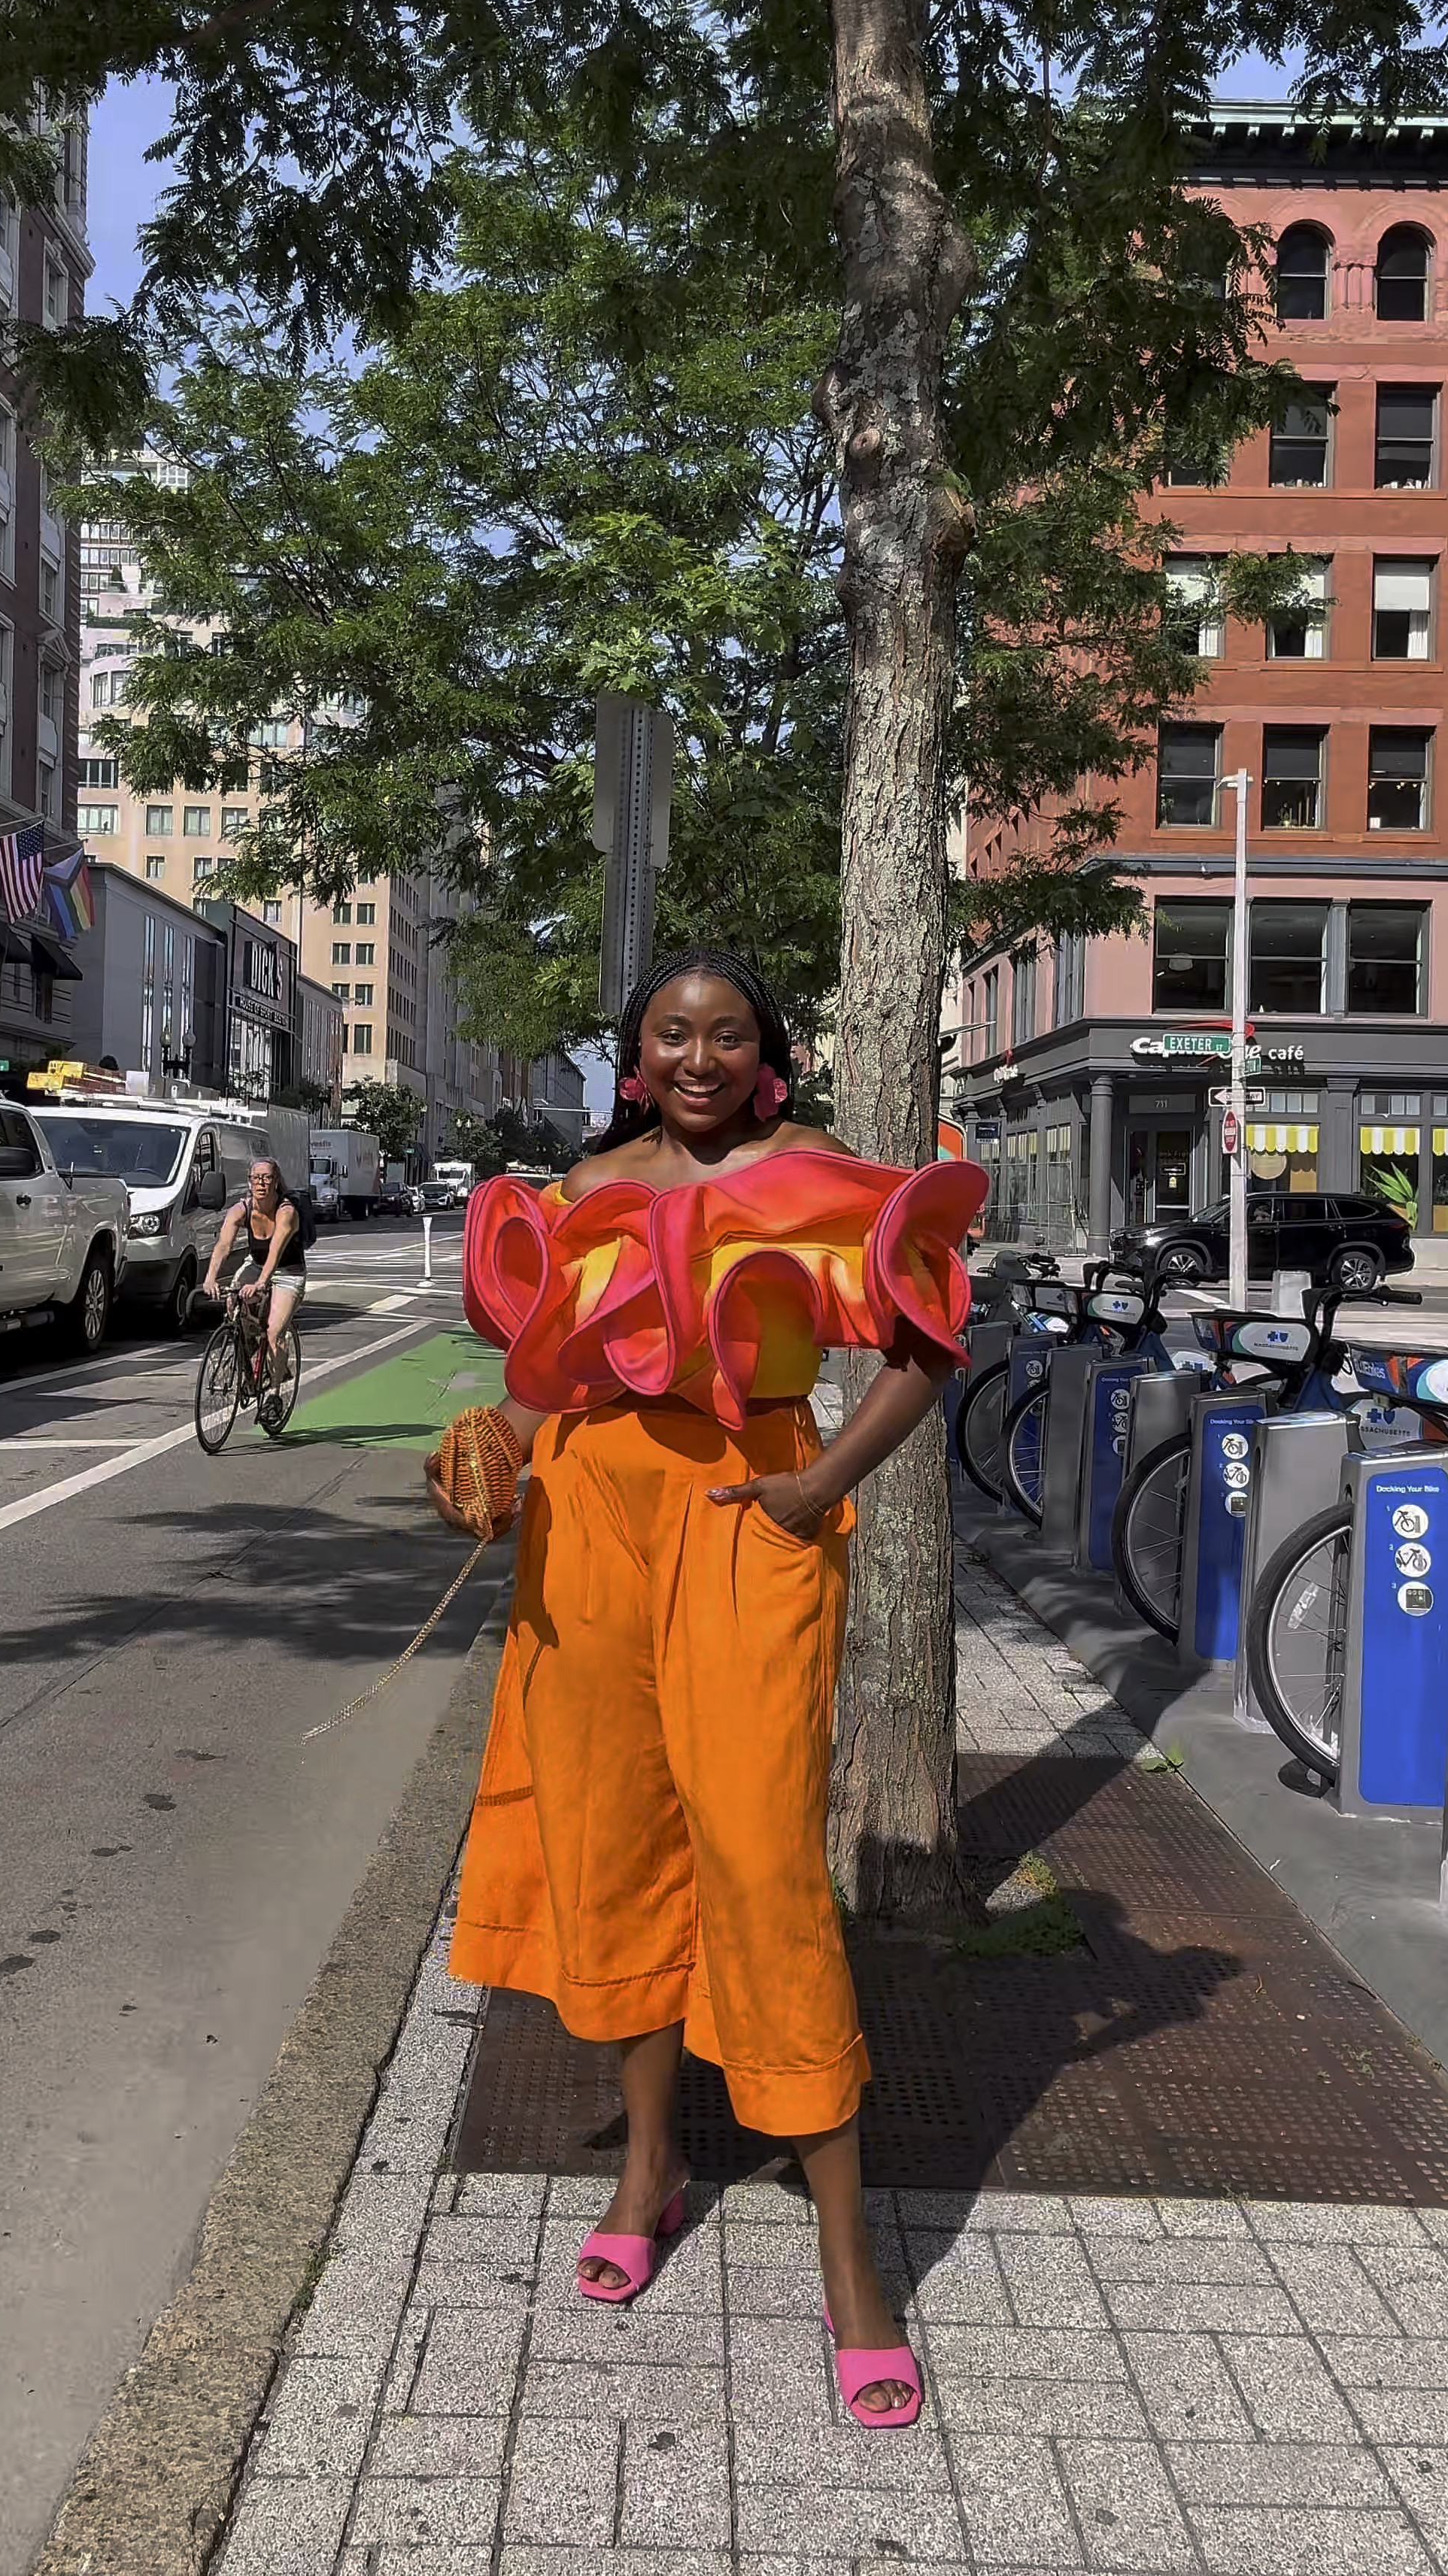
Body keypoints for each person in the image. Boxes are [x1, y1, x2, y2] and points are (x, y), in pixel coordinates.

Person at [426, 947, 986, 2428]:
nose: (698, 1054)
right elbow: (544, 1367)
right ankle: (650, 2166)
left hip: (752, 1512)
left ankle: (850, 2259)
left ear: (766, 1054)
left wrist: (819, 1487)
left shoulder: (817, 1176)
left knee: (757, 1859)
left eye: (726, 1034)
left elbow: (930, 1345)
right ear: (636, 1049)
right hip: (587, 1516)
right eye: (672, 1031)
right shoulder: (582, 1183)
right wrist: (489, 1447)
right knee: (613, 1837)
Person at [203, 1155, 305, 1382]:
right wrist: (211, 1278)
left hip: (288, 1272)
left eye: (267, 1178)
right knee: (233, 1304)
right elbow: (223, 1246)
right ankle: (250, 1358)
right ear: (249, 1182)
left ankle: (275, 1394)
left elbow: (274, 1253)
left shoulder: (286, 1212)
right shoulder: (241, 1210)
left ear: (276, 1181)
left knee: (274, 1333)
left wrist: (260, 1284)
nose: (261, 1183)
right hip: (256, 1264)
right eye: (256, 1178)